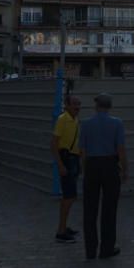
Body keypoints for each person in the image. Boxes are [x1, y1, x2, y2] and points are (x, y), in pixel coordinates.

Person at [80, 93, 129, 260]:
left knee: (89, 209)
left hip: (92, 165)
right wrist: (125, 169)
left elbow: (83, 150)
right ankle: (107, 248)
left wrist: (84, 168)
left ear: (96, 106)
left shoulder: (86, 124)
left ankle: (90, 249)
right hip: (109, 165)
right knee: (109, 209)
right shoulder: (117, 123)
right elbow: (121, 149)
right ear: (110, 106)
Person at [50, 95, 82, 243]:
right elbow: (54, 144)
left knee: (70, 196)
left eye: (79, 104)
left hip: (73, 159)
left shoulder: (75, 120)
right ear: (67, 105)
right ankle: (61, 231)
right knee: (68, 197)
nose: (77, 107)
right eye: (74, 104)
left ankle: (64, 226)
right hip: (67, 159)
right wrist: (60, 165)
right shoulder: (63, 119)